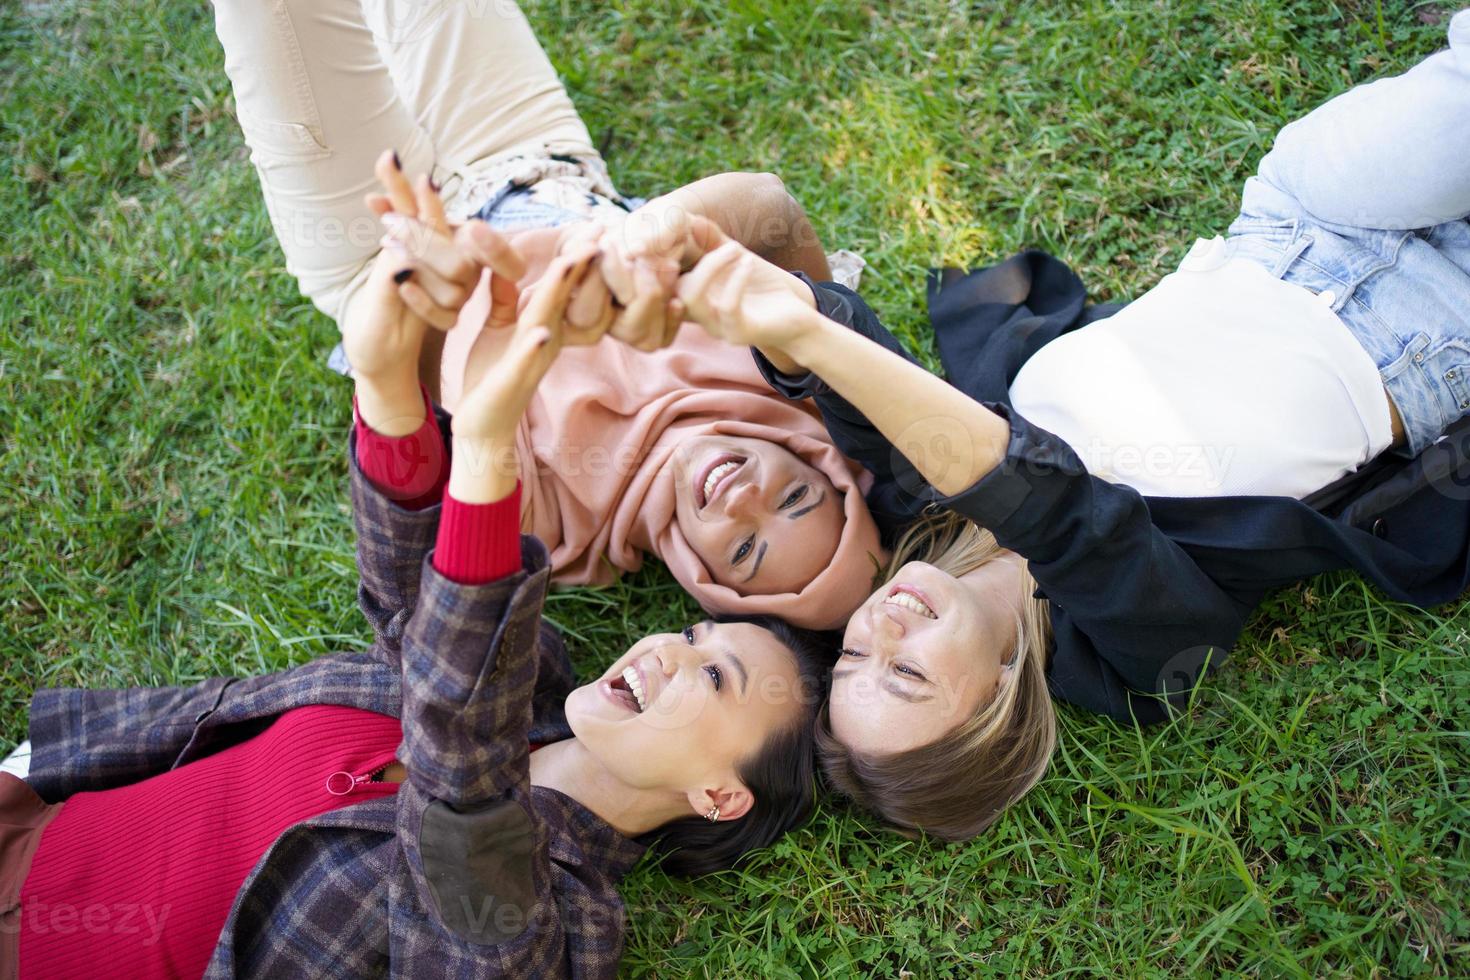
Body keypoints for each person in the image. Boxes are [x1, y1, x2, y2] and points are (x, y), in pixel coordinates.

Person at [671, 12, 1470, 841]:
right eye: (905, 672)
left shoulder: (924, 514)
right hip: (1434, 327)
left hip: (1294, 223)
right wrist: (811, 339)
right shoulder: (1134, 658)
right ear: (998, 700)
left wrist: (664, 243)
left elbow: (832, 329)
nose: (879, 627)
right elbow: (1057, 509)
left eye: (854, 657)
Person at [0, 234, 828, 979]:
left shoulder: (556, 930)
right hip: (30, 815)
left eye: (715, 677)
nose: (671, 650)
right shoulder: (531, 679)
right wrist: (394, 375)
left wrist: (487, 454)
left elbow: (462, 787)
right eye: (692, 631)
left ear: (720, 797)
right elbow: (417, 602)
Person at [208, 0, 884, 631]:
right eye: (793, 498)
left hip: (381, 237)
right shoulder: (789, 372)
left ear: (700, 575)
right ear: (812, 457)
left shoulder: (558, 533)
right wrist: (649, 235)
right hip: (533, 155)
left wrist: (505, 333)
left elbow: (408, 410)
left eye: (745, 550)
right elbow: (770, 208)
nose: (743, 498)